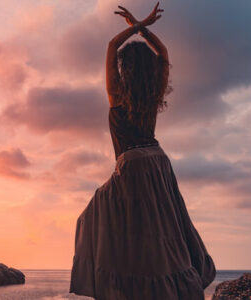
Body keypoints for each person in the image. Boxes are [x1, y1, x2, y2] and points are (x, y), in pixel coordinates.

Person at [69, 3, 216, 299]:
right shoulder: (152, 94)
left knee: (93, 221)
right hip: (158, 162)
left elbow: (112, 45)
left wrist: (135, 25)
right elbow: (163, 54)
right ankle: (169, 286)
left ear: (125, 68)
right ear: (148, 71)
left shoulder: (117, 95)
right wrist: (143, 25)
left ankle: (127, 289)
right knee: (163, 230)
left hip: (133, 164)